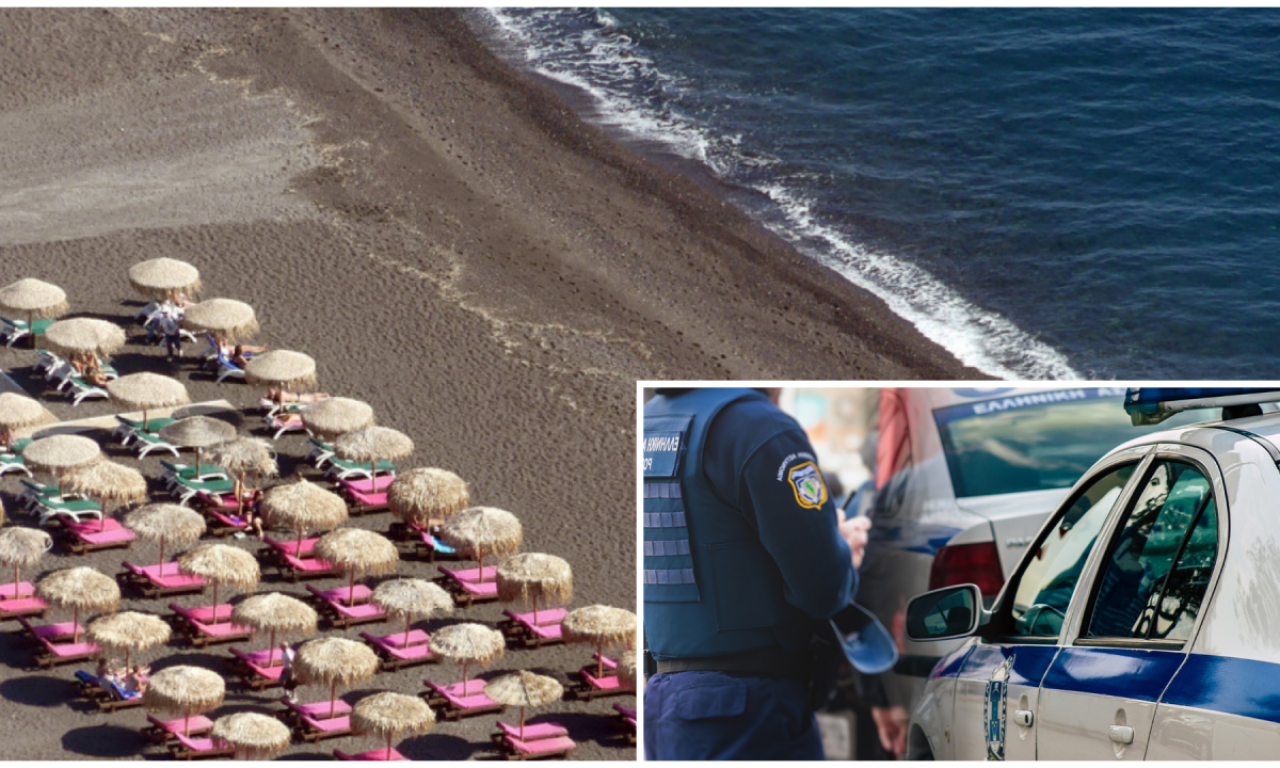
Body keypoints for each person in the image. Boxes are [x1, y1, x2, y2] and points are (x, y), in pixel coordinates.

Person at [642, 387, 874, 760]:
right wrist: (842, 550)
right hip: (747, 711)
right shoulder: (760, 428)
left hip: (663, 703)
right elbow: (823, 590)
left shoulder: (651, 421)